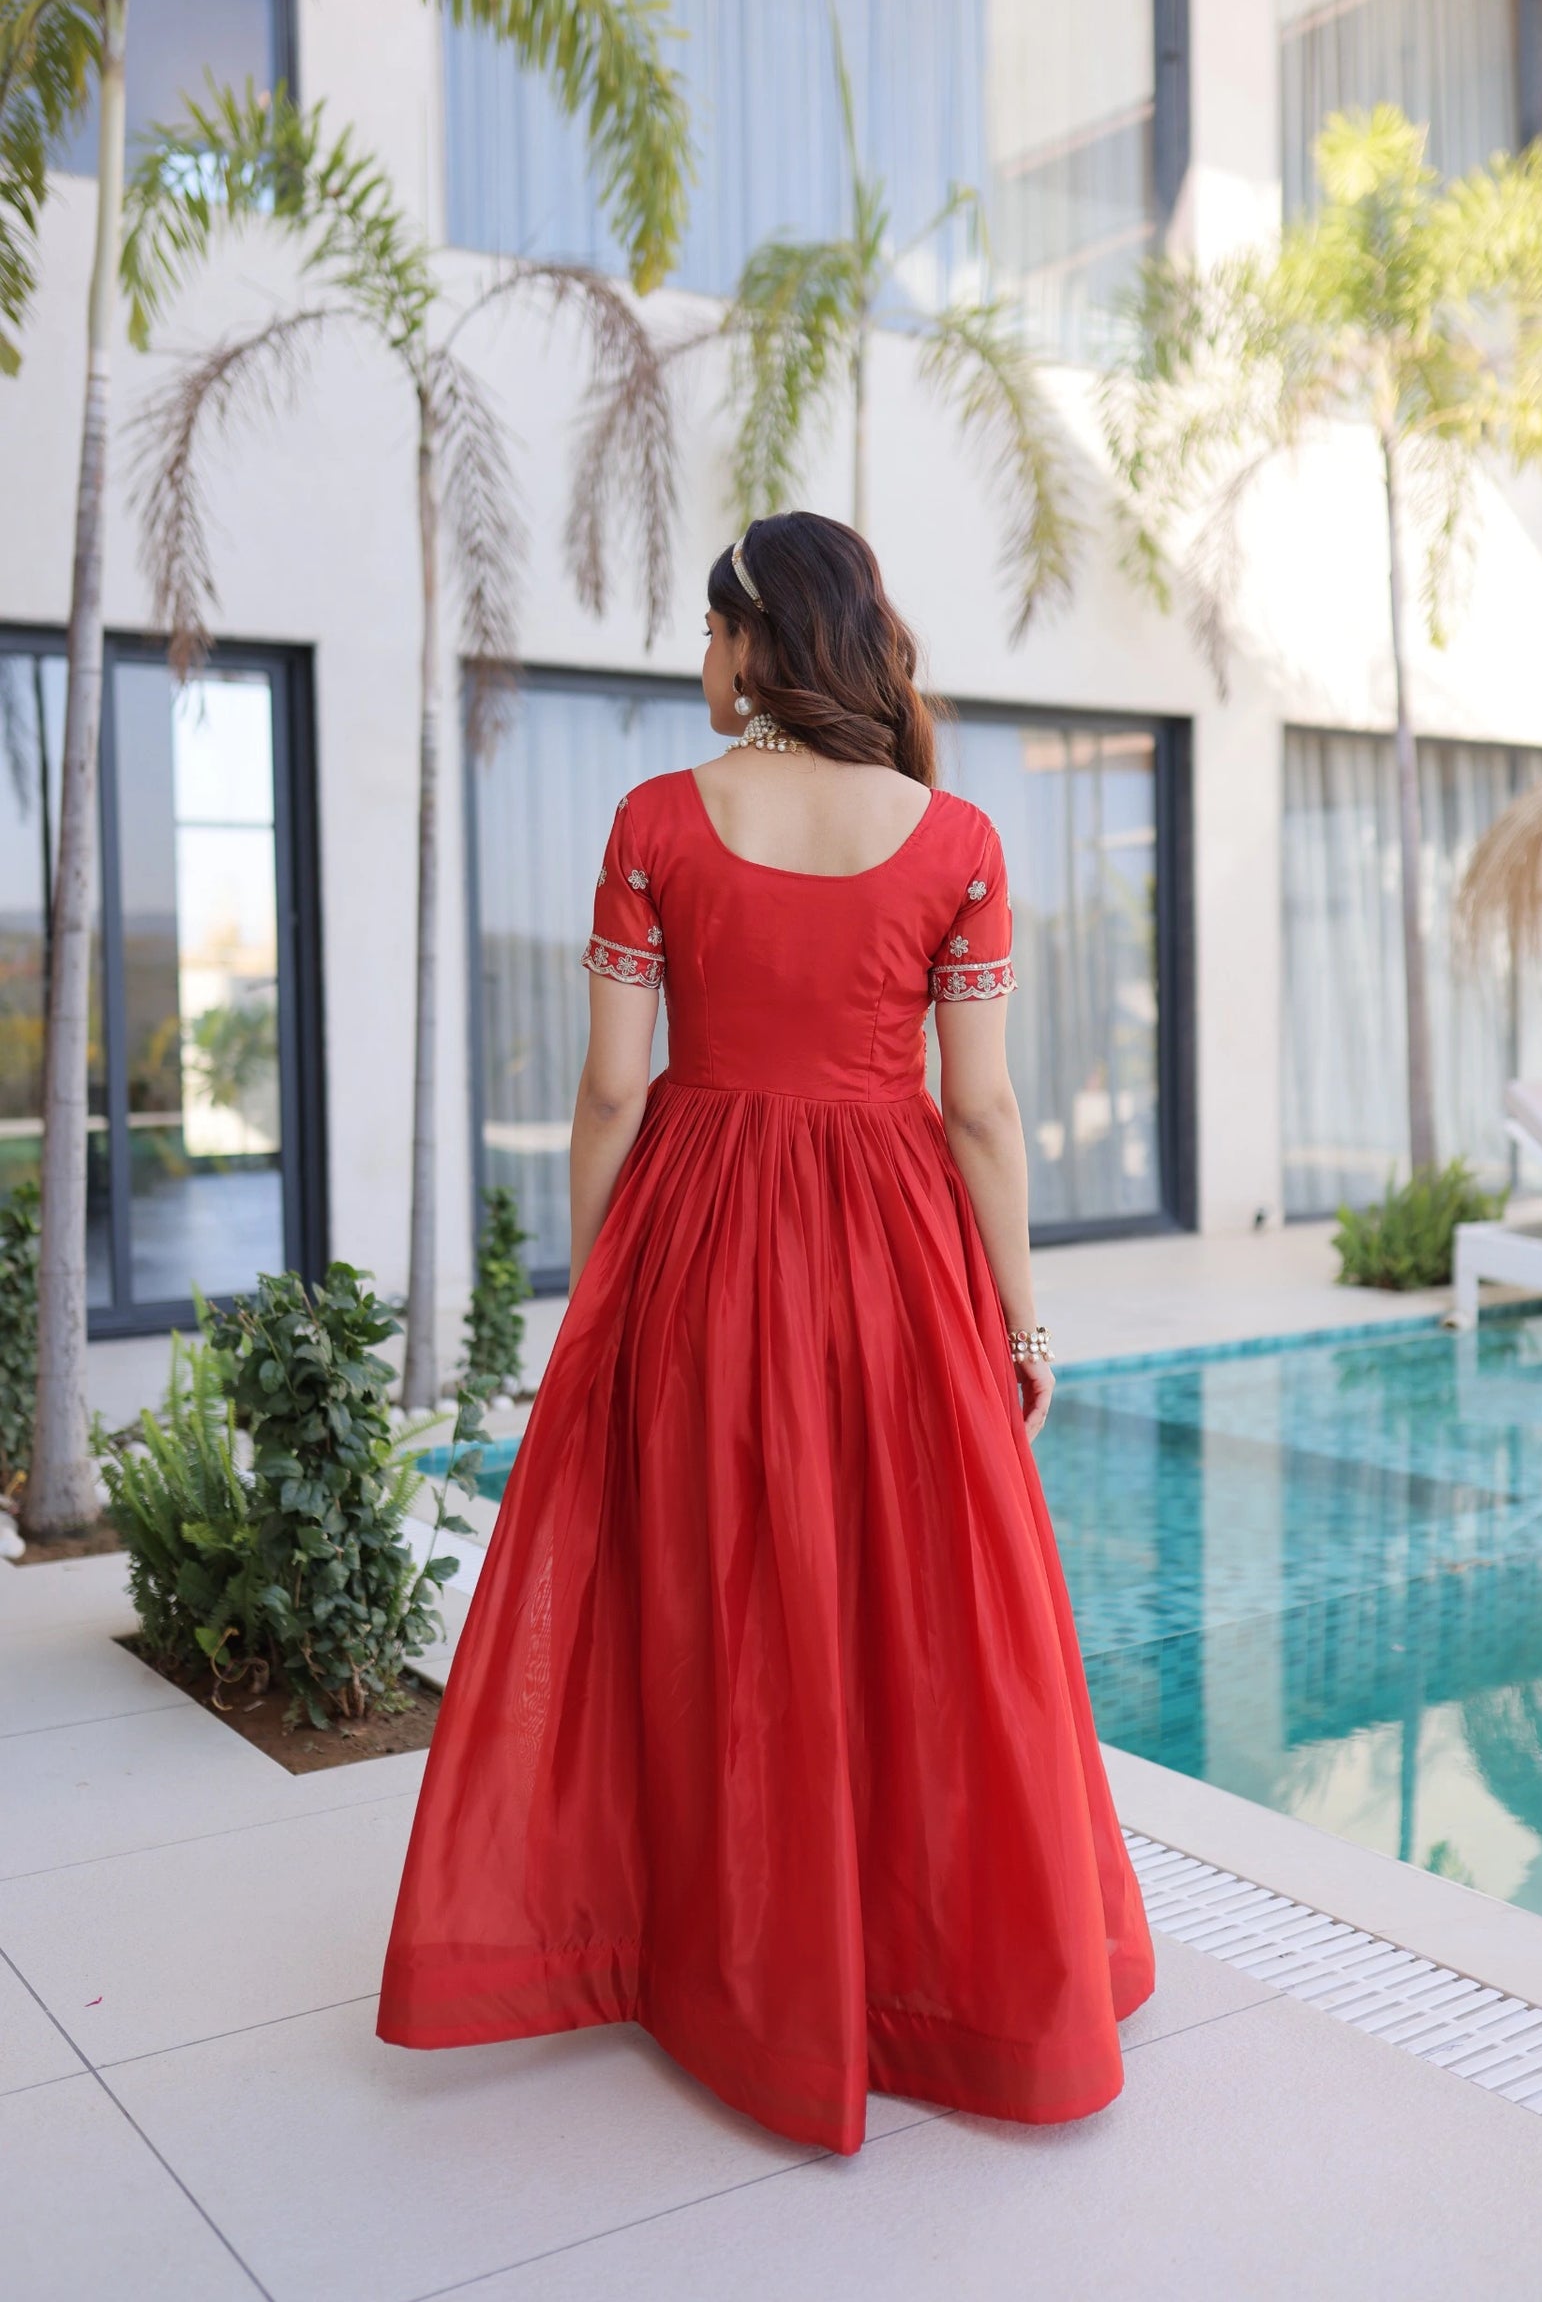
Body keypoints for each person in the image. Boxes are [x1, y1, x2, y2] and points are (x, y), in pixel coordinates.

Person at [377, 512, 1155, 2154]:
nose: (700, 660)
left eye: (710, 630)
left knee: (715, 1588)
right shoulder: (958, 840)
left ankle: (720, 1962)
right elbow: (987, 1114)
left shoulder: (662, 818)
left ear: (755, 639)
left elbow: (606, 1090)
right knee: (913, 1600)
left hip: (701, 1237)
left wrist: (607, 1289)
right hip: (893, 1255)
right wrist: (1017, 1323)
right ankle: (927, 1973)